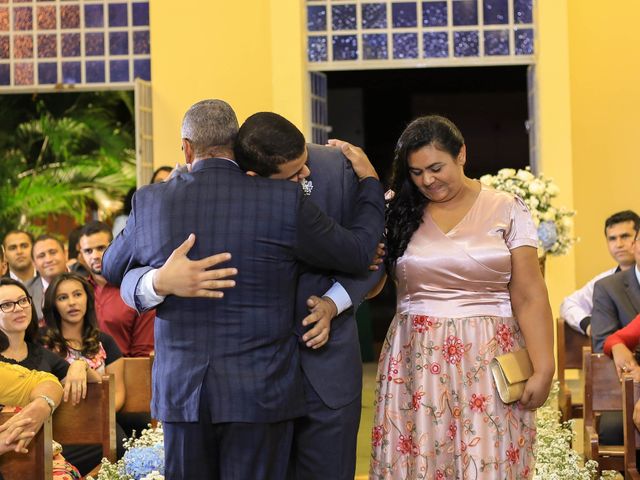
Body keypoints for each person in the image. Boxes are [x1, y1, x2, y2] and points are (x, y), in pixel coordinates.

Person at [101, 100, 384, 480]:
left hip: (183, 395)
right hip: (260, 391)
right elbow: (359, 252)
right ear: (236, 144)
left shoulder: (152, 200)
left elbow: (111, 267)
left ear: (186, 148)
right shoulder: (282, 200)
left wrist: (155, 282)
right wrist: (370, 184)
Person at [368, 116, 554, 479]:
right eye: (417, 172)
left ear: (462, 155)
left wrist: (544, 366)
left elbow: (530, 295)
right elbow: (373, 287)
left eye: (436, 168)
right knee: (421, 455)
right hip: (416, 356)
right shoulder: (397, 209)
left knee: (488, 458)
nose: (427, 180)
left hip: (490, 358)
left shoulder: (507, 207)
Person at [40, 272, 126, 475]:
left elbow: (118, 394)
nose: (72, 302)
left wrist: (93, 418)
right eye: (63, 298)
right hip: (55, 425)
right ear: (54, 304)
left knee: (119, 443)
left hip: (99, 422)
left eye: (77, 294)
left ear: (87, 297)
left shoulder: (106, 341)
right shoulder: (41, 341)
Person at [78, 221, 154, 357]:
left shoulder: (135, 289)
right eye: (88, 251)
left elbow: (142, 355)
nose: (94, 256)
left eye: (101, 248)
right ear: (81, 255)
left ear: (114, 248)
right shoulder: (77, 291)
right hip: (81, 372)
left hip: (127, 371)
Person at [560, 210, 639, 335]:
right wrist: (589, 325)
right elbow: (568, 304)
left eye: (625, 236)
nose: (619, 244)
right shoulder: (604, 282)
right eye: (612, 239)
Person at [591, 229, 640, 353]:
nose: (619, 244)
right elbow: (609, 343)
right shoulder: (607, 287)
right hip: (626, 368)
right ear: (634, 246)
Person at [27, 235, 68, 322]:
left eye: (53, 252)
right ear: (34, 263)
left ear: (65, 254)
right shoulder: (25, 291)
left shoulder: (86, 281)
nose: (48, 259)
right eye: (41, 256)